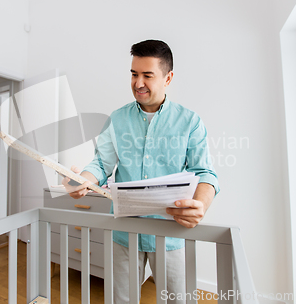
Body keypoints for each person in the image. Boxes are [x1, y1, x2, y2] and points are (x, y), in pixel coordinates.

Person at [63, 39, 219, 303]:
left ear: (168, 78)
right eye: (134, 74)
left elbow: (204, 173)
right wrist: (82, 181)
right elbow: (101, 164)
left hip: (171, 231)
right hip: (124, 232)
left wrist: (200, 205)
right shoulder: (117, 119)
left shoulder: (190, 122)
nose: (138, 83)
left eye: (148, 75)